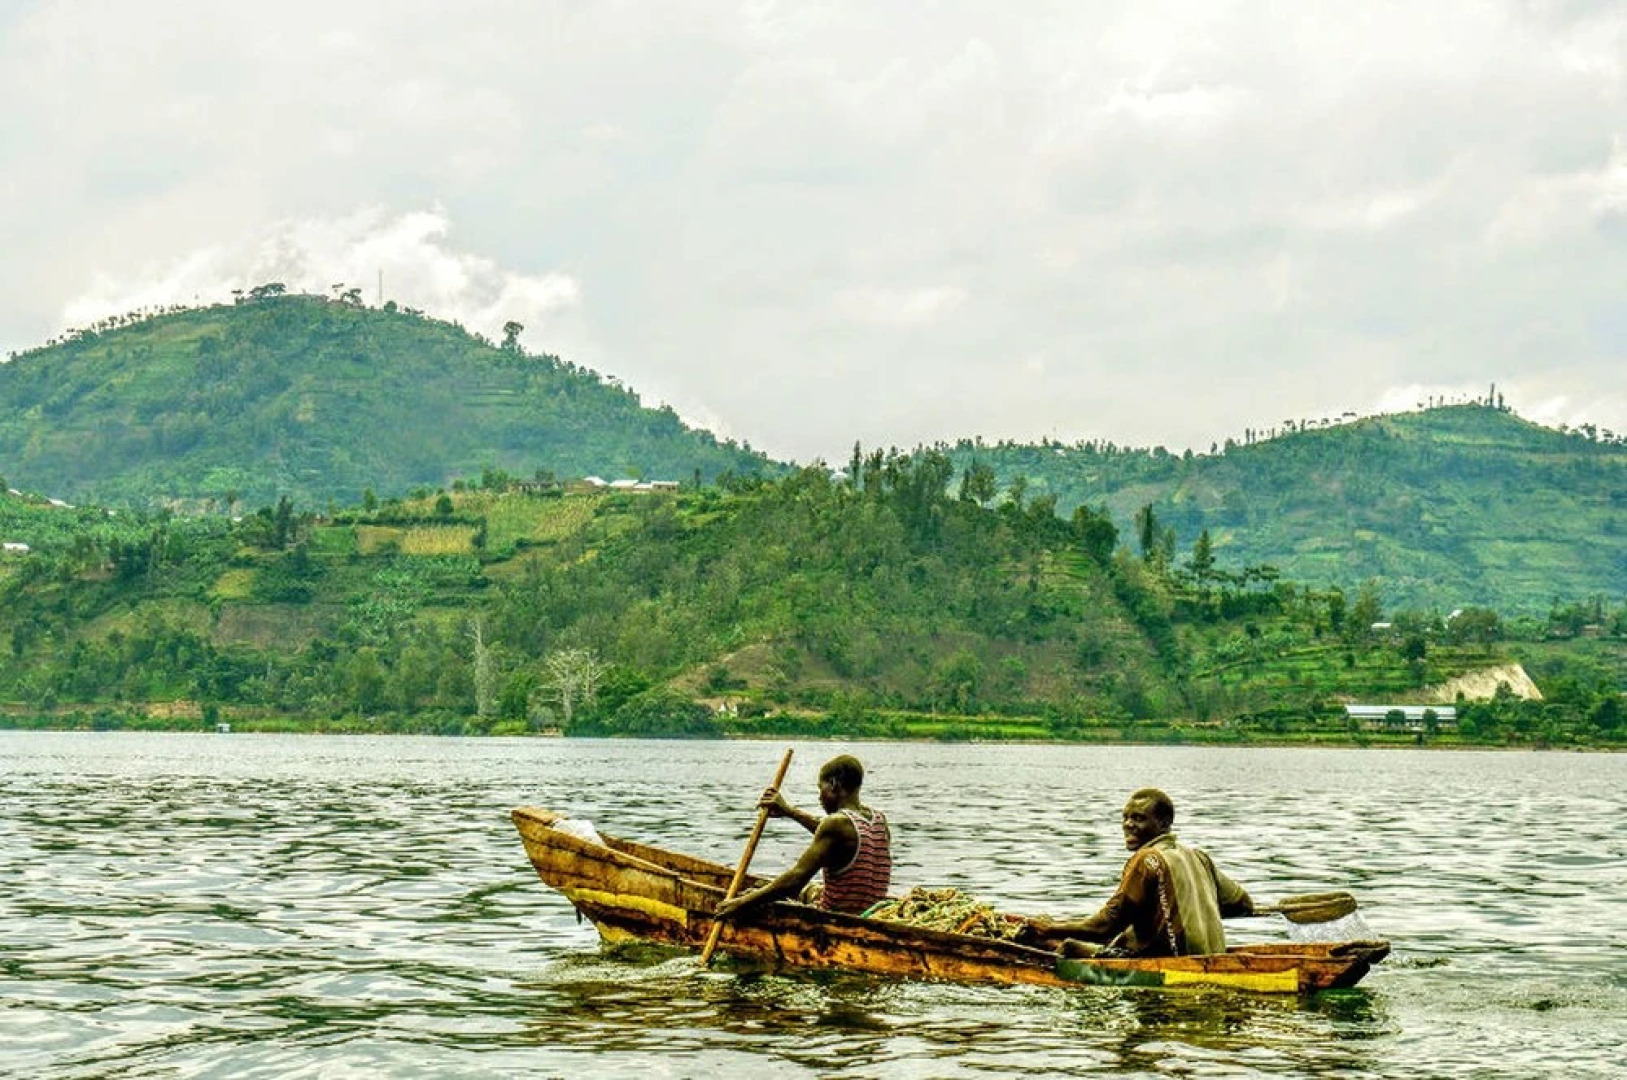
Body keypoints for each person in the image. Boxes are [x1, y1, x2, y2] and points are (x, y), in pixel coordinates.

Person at [1026, 787, 1253, 957]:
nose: (1128, 824)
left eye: (1138, 818)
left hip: (1175, 962)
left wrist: (1048, 929)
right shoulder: (1199, 856)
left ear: (1164, 824)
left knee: (1066, 947)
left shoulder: (1147, 860)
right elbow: (1243, 905)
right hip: (1212, 957)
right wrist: (1198, 906)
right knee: (1126, 936)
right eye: (1125, 817)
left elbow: (1105, 926)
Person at [713, 754, 892, 919]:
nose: (819, 797)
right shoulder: (878, 820)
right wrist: (789, 811)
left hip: (836, 920)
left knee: (758, 892)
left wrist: (739, 904)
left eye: (819, 788)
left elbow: (795, 881)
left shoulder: (836, 825)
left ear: (834, 784)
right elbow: (839, 840)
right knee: (765, 887)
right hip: (873, 916)